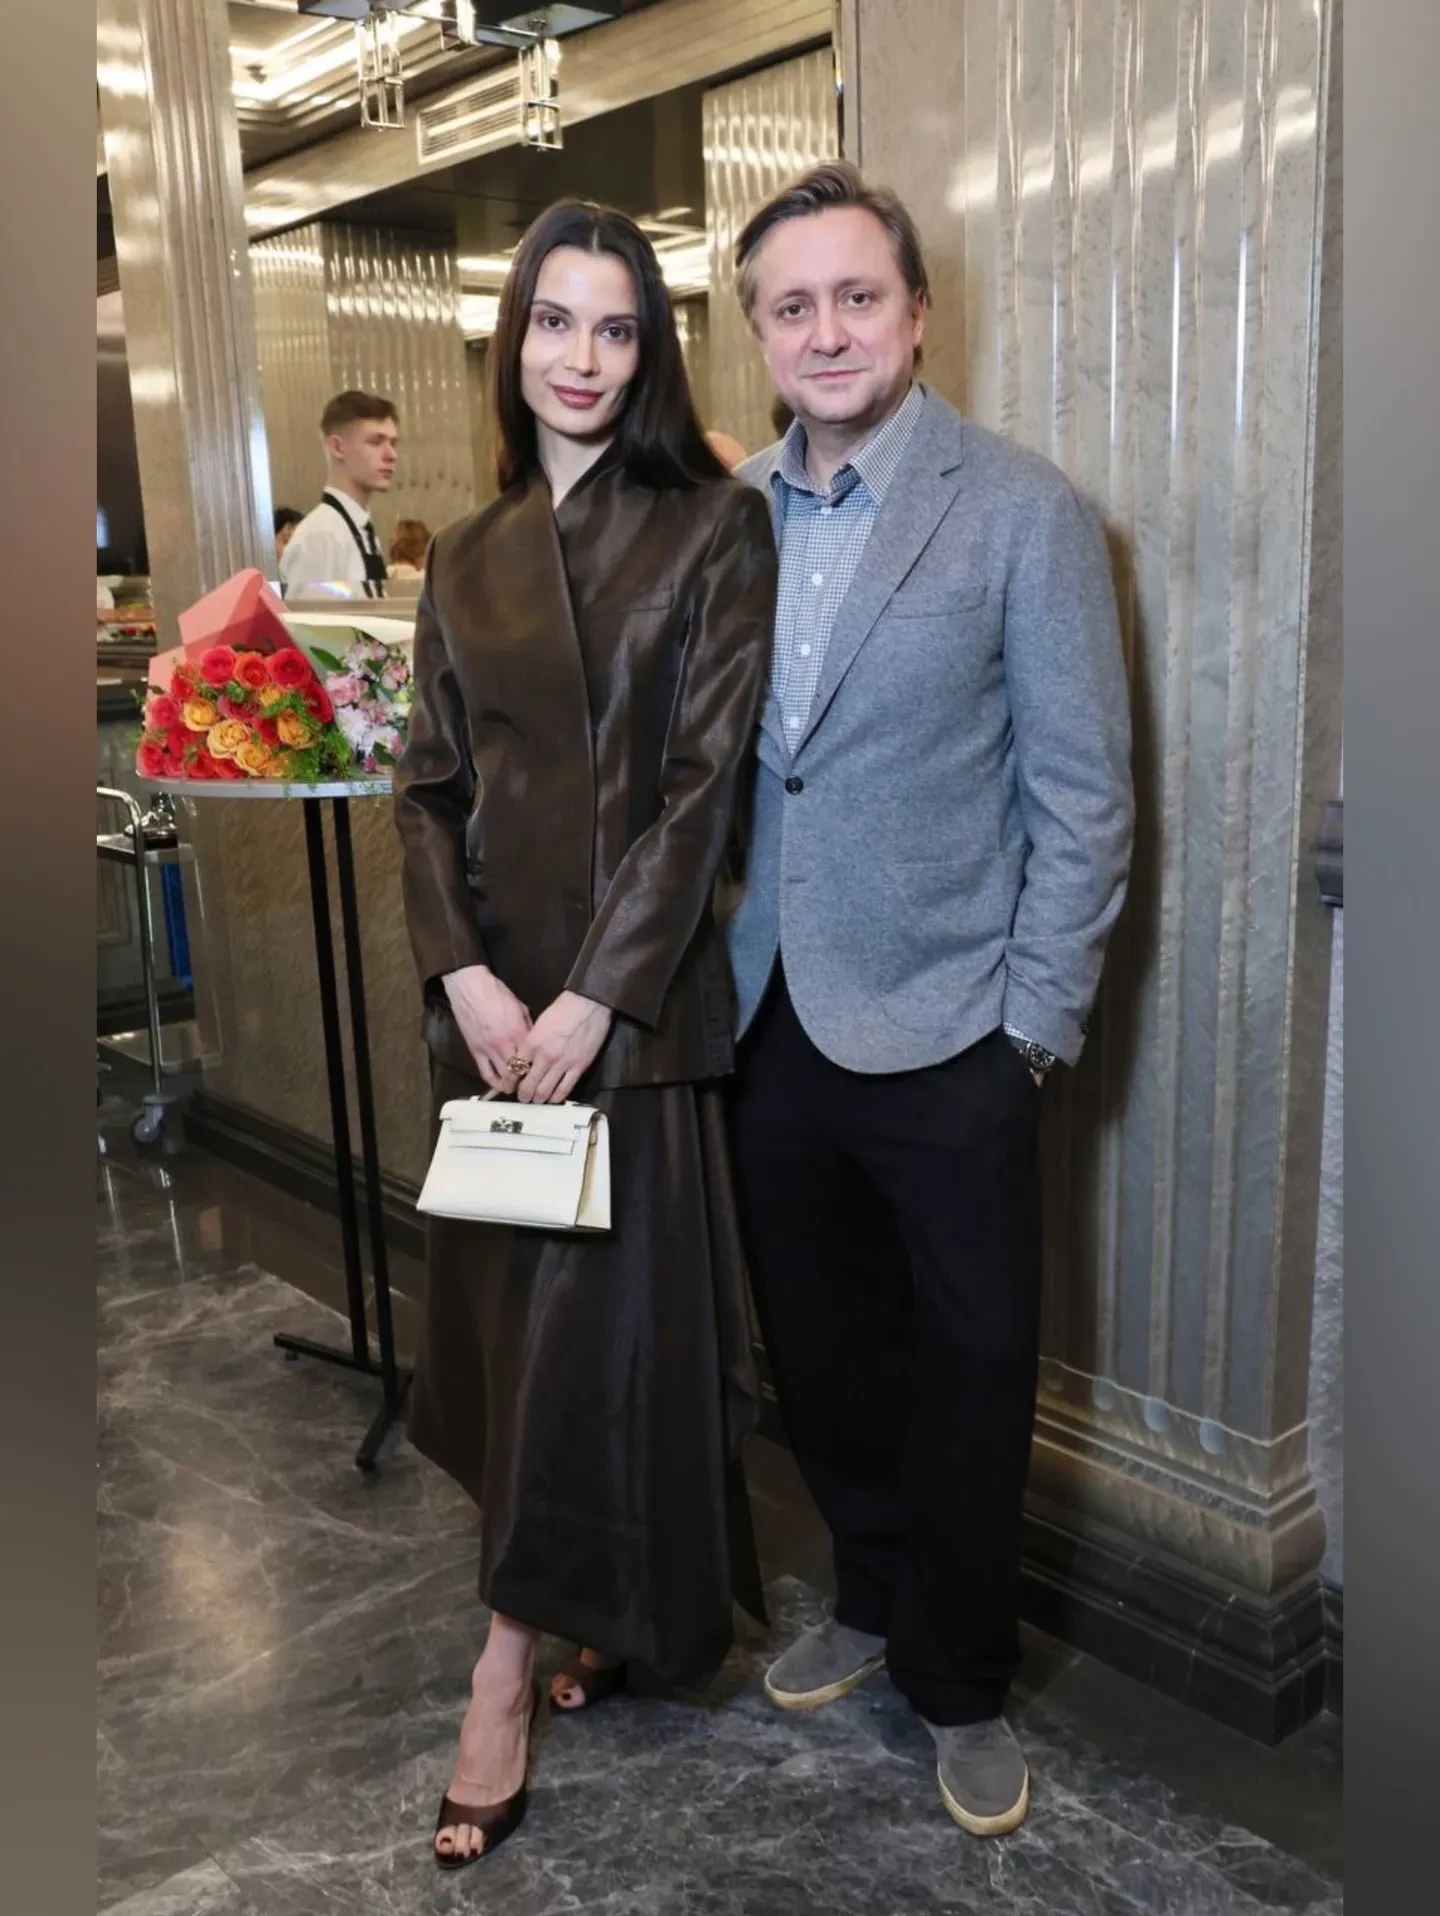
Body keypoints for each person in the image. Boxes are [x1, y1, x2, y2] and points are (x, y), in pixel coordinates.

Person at [723, 162, 1134, 1839]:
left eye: (856, 296)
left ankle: (961, 1680)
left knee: (970, 1369)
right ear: (759, 334)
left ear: (916, 310)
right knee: (823, 1356)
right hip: (768, 1018)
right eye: (791, 305)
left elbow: (1084, 796)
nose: (826, 330)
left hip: (958, 1025)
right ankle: (873, 1596)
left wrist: (1030, 1027)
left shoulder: (1023, 510)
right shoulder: (726, 513)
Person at [393, 197, 778, 1873]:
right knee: (515, 1348)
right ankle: (597, 1608)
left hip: (627, 1015)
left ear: (651, 351)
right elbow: (427, 789)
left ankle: (499, 1674)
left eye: (617, 329)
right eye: (556, 321)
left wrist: (595, 994)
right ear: (515, 337)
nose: (583, 357)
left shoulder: (712, 527)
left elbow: (705, 789)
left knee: (597, 1345)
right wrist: (467, 980)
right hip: (492, 1022)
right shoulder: (465, 551)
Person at [278, 390, 398, 596]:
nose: (391, 454)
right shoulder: (321, 538)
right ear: (338, 447)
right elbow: (313, 617)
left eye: (393, 443)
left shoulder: (356, 530)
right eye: (376, 442)